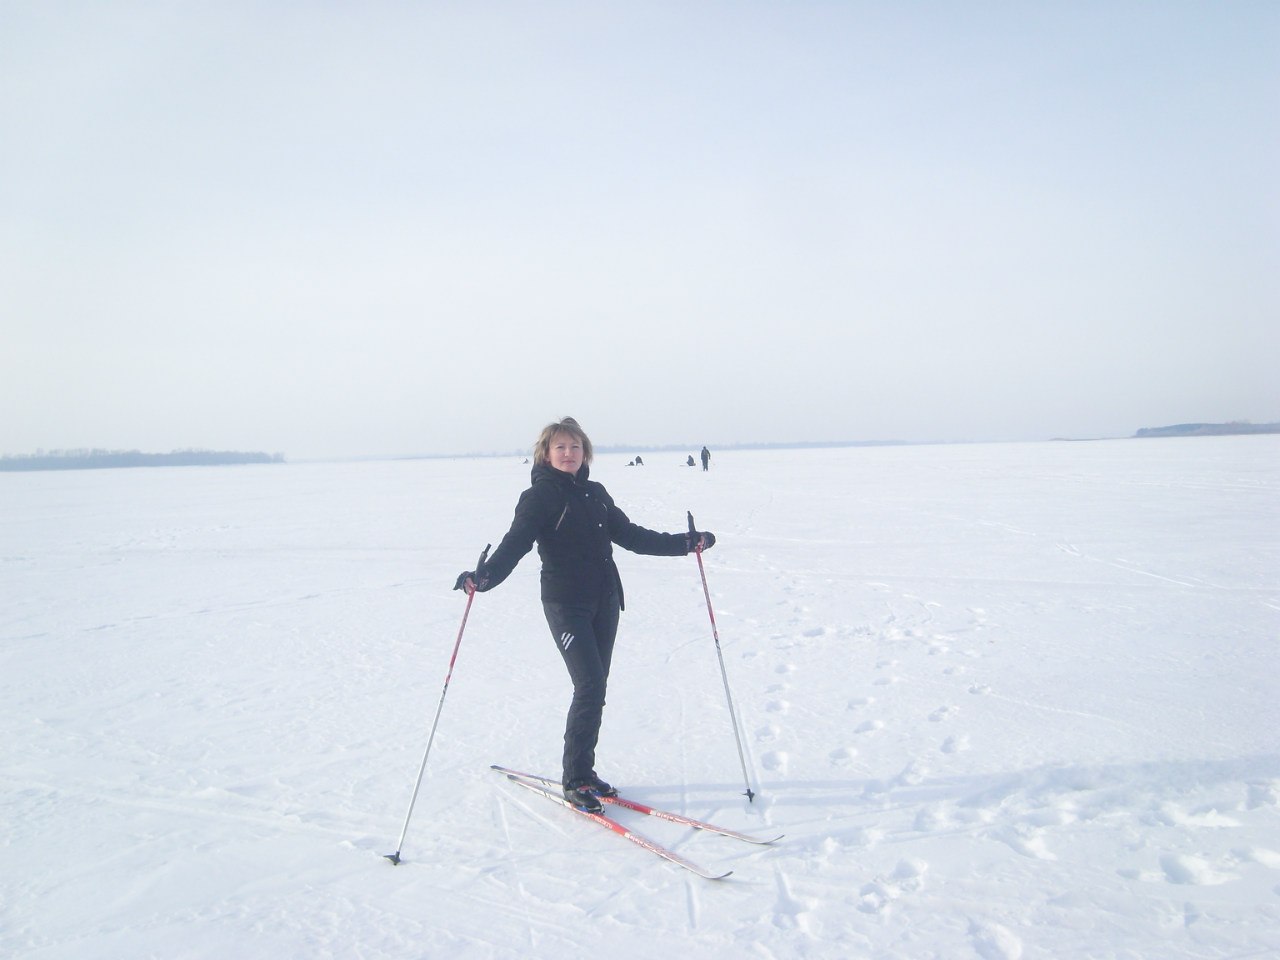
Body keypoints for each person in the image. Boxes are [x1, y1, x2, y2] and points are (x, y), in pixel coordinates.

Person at [454, 417, 716, 813]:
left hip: (605, 600)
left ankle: (585, 772)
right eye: (560, 447)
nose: (568, 453)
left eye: (575, 447)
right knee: (589, 685)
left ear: (585, 453)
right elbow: (515, 543)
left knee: (596, 687)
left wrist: (685, 543)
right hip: (566, 604)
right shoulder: (539, 497)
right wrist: (484, 577)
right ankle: (575, 779)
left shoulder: (596, 493)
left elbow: (632, 536)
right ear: (546, 454)